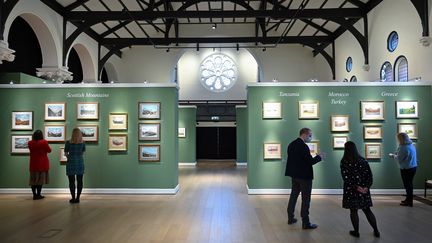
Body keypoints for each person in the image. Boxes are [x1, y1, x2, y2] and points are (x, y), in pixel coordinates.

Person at [285, 127, 324, 229]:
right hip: (305, 177)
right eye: (310, 135)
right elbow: (310, 162)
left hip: (294, 176)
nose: (310, 137)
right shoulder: (303, 146)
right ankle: (305, 223)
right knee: (306, 199)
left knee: (293, 196)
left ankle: (290, 218)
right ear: (304, 134)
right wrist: (320, 157)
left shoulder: (291, 144)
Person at [341, 141, 380, 238]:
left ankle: (356, 232)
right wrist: (366, 187)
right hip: (364, 191)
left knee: (353, 211)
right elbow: (369, 176)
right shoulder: (363, 160)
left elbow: (346, 178)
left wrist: (357, 187)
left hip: (351, 190)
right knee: (367, 210)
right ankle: (376, 231)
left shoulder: (344, 161)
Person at [389, 132, 417, 207]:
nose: (397, 140)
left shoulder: (404, 147)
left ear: (401, 139)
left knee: (407, 185)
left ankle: (409, 201)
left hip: (406, 168)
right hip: (413, 167)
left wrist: (392, 156)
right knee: (409, 184)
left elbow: (399, 159)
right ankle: (408, 200)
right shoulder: (410, 145)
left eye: (398, 139)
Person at [28, 130, 51, 200]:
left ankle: (34, 195)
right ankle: (38, 194)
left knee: (33, 180)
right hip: (42, 163)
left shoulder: (30, 143)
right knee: (40, 180)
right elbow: (49, 150)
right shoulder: (44, 142)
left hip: (33, 163)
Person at [65, 128, 86, 204]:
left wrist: (69, 157)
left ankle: (73, 198)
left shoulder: (68, 142)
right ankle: (78, 198)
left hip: (71, 162)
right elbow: (83, 152)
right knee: (80, 181)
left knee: (71, 181)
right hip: (80, 162)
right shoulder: (83, 143)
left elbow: (66, 153)